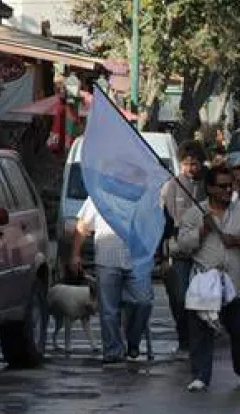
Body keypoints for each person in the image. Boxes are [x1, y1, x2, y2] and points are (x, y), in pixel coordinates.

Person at [178, 165, 240, 391]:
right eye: (223, 186)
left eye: (231, 185)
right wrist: (201, 232)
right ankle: (200, 375)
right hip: (205, 283)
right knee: (200, 331)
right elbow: (182, 246)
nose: (228, 190)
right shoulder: (195, 213)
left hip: (235, 284)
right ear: (210, 188)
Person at [71, 198, 153, 367]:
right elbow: (82, 225)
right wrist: (75, 254)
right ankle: (113, 350)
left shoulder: (143, 197)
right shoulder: (97, 195)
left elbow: (153, 226)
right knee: (108, 310)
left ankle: (133, 341)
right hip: (107, 258)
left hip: (137, 259)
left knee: (143, 302)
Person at [161, 140, 208, 357]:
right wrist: (161, 254)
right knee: (179, 298)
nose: (191, 168)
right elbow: (163, 222)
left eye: (195, 164)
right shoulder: (171, 187)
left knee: (204, 298)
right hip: (178, 252)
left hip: (205, 252)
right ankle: (184, 340)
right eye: (187, 164)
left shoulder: (210, 184)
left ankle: (202, 339)